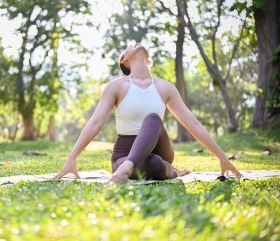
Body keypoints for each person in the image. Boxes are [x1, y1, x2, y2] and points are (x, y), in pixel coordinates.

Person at [54, 43, 242, 185]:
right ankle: (170, 171)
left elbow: (193, 124)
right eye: (130, 46)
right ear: (124, 60)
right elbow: (95, 123)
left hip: (159, 147)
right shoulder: (116, 87)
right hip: (123, 153)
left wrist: (221, 156)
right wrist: (72, 157)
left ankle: (128, 168)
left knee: (152, 118)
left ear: (149, 60)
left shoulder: (165, 87)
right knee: (153, 165)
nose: (136, 43)